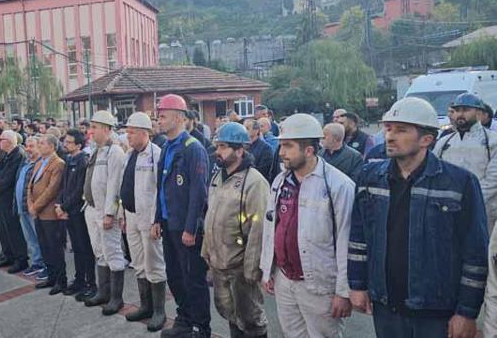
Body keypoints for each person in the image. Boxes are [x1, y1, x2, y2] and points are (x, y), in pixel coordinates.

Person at [349, 97, 489, 338]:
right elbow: (358, 237)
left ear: (427, 139)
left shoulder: (460, 183)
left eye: (401, 130)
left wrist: (467, 312)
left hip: (436, 309)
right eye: (388, 128)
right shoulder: (369, 177)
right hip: (386, 305)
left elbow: (475, 252)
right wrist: (357, 285)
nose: (390, 136)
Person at [260, 113, 355, 338]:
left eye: (288, 146)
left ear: (309, 150)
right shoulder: (280, 181)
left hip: (319, 284)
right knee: (292, 334)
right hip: (285, 279)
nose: (281, 152)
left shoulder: (339, 186)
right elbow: (271, 227)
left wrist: (343, 292)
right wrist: (268, 269)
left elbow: (346, 241)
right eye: (281, 145)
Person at [152, 94, 212, 338]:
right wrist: (157, 218)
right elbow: (161, 187)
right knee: (175, 276)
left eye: (163, 116)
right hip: (169, 223)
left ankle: (200, 327)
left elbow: (199, 192)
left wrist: (191, 228)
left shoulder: (193, 149)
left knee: (193, 279)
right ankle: (184, 319)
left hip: (186, 227)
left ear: (179, 117)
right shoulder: (167, 147)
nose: (158, 120)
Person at [203, 122, 269, 338]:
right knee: (229, 313)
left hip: (240, 267)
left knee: (251, 319)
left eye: (223, 146)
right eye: (217, 146)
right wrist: (207, 253)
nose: (217, 151)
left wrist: (252, 270)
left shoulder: (255, 182)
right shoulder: (218, 177)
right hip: (219, 264)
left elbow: (258, 229)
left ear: (239, 150)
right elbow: (211, 217)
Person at [120, 113, 168, 332]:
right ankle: (145, 306)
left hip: (149, 219)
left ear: (143, 133)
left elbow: (160, 190)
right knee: (138, 263)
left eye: (131, 132)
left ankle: (159, 311)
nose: (127, 136)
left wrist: (157, 220)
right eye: (127, 132)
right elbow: (124, 186)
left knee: (154, 264)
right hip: (131, 216)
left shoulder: (156, 154)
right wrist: (121, 213)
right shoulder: (129, 155)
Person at [83, 111, 128, 316]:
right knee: (100, 252)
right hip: (92, 209)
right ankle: (103, 293)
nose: (90, 131)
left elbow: (114, 185)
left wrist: (110, 213)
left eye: (94, 127)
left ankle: (116, 298)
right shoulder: (97, 151)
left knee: (113, 253)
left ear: (106, 129)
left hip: (105, 212)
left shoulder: (115, 152)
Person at [433, 93, 497, 231]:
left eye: (466, 110)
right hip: (447, 211)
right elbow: (434, 172)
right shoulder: (444, 142)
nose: (460, 115)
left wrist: (469, 200)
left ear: (479, 113)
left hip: (484, 212)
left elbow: (493, 180)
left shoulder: (492, 141)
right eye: (457, 110)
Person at [57, 129, 96, 301]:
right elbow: (64, 186)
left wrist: (64, 206)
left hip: (78, 212)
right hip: (68, 211)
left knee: (84, 248)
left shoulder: (82, 162)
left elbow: (80, 189)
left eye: (69, 142)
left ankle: (90, 283)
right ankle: (79, 280)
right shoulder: (69, 160)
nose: (65, 145)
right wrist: (60, 205)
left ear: (79, 145)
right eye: (65, 141)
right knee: (77, 249)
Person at [28, 134, 67, 294]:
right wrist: (30, 204)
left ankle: (60, 280)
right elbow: (30, 186)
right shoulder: (39, 162)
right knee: (44, 246)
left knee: (54, 247)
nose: (39, 145)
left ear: (52, 146)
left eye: (42, 143)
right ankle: (51, 277)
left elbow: (52, 189)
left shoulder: (58, 163)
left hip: (50, 213)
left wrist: (35, 206)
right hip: (38, 213)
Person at [0, 130, 29, 273]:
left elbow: (9, 178)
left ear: (10, 141)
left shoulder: (18, 155)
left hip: (9, 198)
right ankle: (8, 255)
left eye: (1, 139)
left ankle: (20, 260)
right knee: (3, 229)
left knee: (13, 230)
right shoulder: (5, 155)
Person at [15, 136, 46, 278]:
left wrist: (35, 206)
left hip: (34, 208)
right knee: (31, 239)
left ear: (39, 147)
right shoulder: (26, 163)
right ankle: (37, 262)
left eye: (31, 146)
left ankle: (45, 265)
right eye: (27, 146)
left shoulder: (41, 165)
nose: (28, 149)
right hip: (22, 207)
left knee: (41, 238)